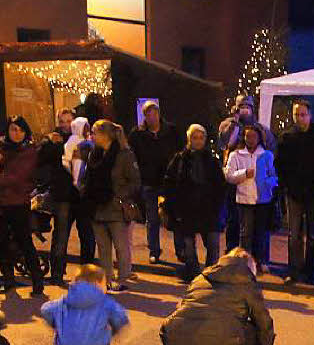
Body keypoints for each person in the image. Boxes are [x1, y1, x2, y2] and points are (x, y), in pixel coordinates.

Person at [160, 248, 275, 345]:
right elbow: (265, 326)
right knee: (251, 329)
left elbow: (185, 309)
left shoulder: (201, 277)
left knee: (196, 320)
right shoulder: (248, 284)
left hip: (177, 344)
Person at [41, 264, 129, 345]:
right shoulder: (104, 302)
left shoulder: (65, 300)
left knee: (75, 337)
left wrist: (57, 325)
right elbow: (121, 317)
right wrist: (113, 331)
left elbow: (46, 310)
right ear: (97, 285)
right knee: (101, 334)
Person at [0, 116, 45, 296]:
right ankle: (8, 281)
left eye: (20, 130)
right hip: (0, 204)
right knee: (3, 242)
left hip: (19, 203)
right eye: (13, 129)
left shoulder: (29, 150)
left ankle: (37, 281)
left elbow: (15, 178)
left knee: (25, 242)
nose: (17, 133)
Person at [82, 120, 140, 291]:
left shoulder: (124, 155)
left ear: (105, 135)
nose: (92, 136)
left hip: (115, 207)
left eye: (95, 132)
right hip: (97, 207)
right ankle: (106, 280)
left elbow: (135, 181)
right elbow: (88, 178)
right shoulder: (95, 154)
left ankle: (123, 280)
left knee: (121, 246)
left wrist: (120, 196)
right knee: (103, 247)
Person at [162, 124, 226, 280]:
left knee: (212, 244)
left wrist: (218, 206)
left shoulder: (211, 161)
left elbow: (220, 185)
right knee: (188, 246)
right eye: (194, 138)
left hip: (208, 208)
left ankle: (210, 275)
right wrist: (172, 206)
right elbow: (170, 182)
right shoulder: (180, 159)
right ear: (189, 139)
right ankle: (193, 274)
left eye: (201, 138)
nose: (198, 141)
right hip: (187, 208)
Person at [276, 99, 314, 284]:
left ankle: (311, 270)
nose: (299, 118)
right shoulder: (287, 137)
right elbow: (280, 165)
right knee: (294, 234)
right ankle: (295, 270)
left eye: (303, 114)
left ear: (310, 115)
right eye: (296, 114)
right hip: (294, 192)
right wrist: (286, 186)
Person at [128, 100, 179, 264]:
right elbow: (132, 155)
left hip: (168, 180)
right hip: (149, 180)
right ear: (144, 116)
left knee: (173, 215)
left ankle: (181, 250)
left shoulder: (170, 131)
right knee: (152, 218)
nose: (152, 117)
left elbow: (178, 151)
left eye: (154, 113)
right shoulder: (137, 134)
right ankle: (154, 250)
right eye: (148, 114)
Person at [225, 125, 277, 272]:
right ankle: (244, 262)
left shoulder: (266, 155)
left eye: (254, 136)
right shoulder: (236, 155)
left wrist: (267, 183)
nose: (251, 140)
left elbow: (274, 176)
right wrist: (244, 174)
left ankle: (262, 260)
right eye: (248, 136)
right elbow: (229, 176)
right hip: (244, 199)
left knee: (262, 232)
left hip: (262, 200)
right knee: (245, 233)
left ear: (259, 138)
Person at [34, 134, 77, 286]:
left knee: (61, 236)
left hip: (63, 194)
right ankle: (57, 273)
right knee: (61, 236)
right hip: (61, 195)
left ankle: (58, 272)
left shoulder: (78, 140)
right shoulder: (54, 146)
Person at [64, 116, 96, 265]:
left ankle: (87, 263)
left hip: (84, 192)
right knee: (66, 232)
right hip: (72, 192)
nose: (87, 130)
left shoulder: (90, 143)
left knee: (86, 231)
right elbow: (66, 161)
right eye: (85, 127)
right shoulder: (72, 142)